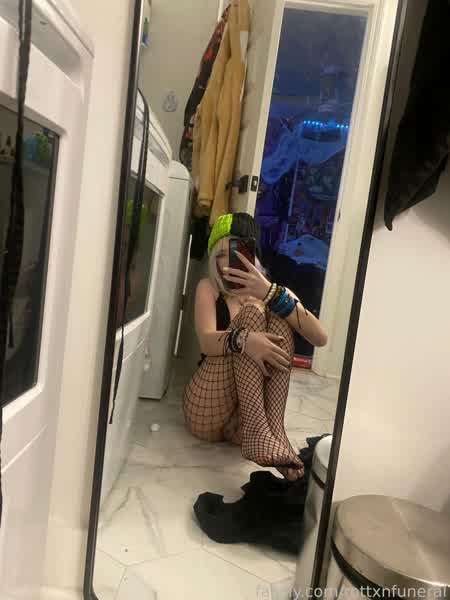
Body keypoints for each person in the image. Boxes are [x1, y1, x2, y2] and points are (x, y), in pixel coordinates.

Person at [183, 213, 328, 481]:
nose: (227, 262)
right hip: (207, 405)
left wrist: (270, 293)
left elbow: (320, 338)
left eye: (237, 252)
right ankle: (260, 432)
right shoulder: (209, 288)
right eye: (220, 254)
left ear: (253, 256)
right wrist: (245, 341)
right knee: (251, 314)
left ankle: (271, 430)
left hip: (242, 418)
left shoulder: (272, 291)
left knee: (279, 314)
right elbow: (205, 340)